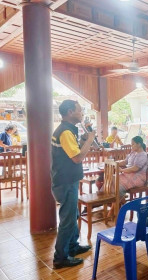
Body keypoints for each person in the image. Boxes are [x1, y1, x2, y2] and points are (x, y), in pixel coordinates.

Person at [51, 100, 96, 269]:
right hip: (66, 181)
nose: (82, 113)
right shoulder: (65, 132)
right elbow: (77, 158)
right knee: (68, 220)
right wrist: (90, 140)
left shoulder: (68, 130)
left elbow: (71, 151)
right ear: (70, 112)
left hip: (66, 180)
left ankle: (72, 246)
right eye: (80, 110)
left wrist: (84, 139)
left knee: (73, 214)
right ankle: (60, 257)